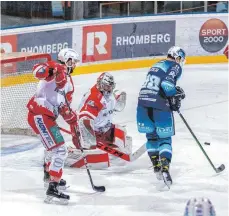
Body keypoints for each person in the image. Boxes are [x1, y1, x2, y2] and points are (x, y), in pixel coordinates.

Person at [27, 48, 80, 203]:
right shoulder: (53, 67)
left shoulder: (69, 83)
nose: (75, 65)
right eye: (73, 61)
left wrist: (72, 119)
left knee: (53, 148)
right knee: (60, 150)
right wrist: (54, 69)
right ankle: (53, 187)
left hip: (47, 117)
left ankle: (49, 177)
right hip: (39, 114)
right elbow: (36, 71)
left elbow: (64, 107)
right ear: (67, 60)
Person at [136, 46, 186, 187]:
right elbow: (167, 85)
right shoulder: (175, 66)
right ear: (177, 57)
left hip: (142, 103)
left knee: (151, 137)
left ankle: (156, 166)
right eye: (180, 59)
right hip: (159, 105)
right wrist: (174, 95)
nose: (180, 62)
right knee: (164, 138)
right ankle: (164, 168)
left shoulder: (156, 64)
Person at [75, 72, 132, 157]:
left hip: (104, 130)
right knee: (99, 150)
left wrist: (119, 99)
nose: (108, 89)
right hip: (92, 133)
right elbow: (84, 120)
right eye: (106, 86)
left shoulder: (109, 95)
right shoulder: (94, 97)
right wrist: (90, 142)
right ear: (100, 84)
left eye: (110, 87)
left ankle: (114, 154)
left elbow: (115, 106)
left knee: (121, 132)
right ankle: (92, 152)